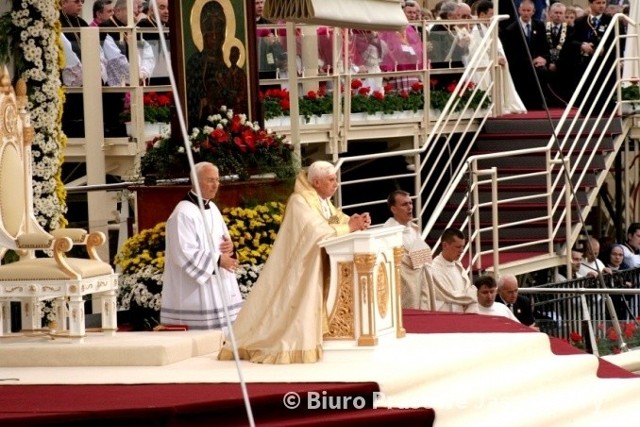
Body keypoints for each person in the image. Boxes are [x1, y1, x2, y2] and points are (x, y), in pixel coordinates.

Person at [217, 161, 372, 363]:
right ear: (316, 182)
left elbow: (335, 220)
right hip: (300, 268)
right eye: (332, 180)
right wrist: (349, 227)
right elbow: (315, 232)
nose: (337, 184)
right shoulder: (299, 201)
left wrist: (356, 222)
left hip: (317, 263)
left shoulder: (322, 200)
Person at [160, 162, 244, 332]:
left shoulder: (212, 207)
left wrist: (230, 247)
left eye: (218, 180)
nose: (216, 185)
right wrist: (219, 260)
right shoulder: (182, 213)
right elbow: (183, 252)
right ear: (196, 182)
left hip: (219, 279)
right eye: (210, 180)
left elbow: (222, 238)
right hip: (195, 291)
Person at [468, 0, 527, 114]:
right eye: (491, 15)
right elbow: (479, 53)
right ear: (482, 15)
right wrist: (495, 59)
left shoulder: (491, 29)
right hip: (485, 66)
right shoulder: (476, 32)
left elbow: (497, 47)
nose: (493, 18)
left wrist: (500, 56)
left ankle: (503, 103)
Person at [383, 190, 436, 310]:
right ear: (393, 209)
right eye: (404, 204)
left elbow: (424, 259)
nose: (409, 207)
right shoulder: (387, 232)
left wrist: (421, 259)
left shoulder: (414, 229)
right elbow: (401, 262)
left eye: (410, 203)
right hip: (403, 286)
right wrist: (420, 258)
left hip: (421, 282)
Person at [501, 0, 551, 110]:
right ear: (519, 10)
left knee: (542, 70)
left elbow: (545, 48)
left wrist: (543, 58)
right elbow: (511, 53)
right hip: (520, 65)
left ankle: (540, 101)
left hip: (537, 65)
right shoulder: (510, 29)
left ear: (533, 11)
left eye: (528, 11)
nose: (526, 13)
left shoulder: (539, 25)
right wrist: (530, 62)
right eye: (523, 10)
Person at [430, 228, 478, 313]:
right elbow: (448, 294)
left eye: (463, 246)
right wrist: (473, 295)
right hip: (444, 317)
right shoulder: (434, 268)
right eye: (458, 247)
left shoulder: (458, 265)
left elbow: (467, 289)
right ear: (445, 245)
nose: (462, 251)